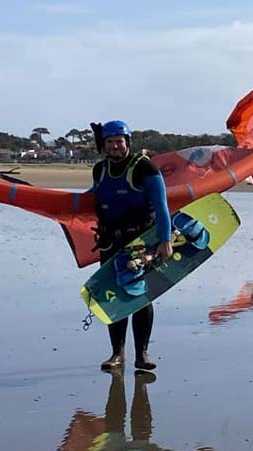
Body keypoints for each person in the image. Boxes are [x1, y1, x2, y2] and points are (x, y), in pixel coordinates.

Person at [89, 120, 174, 372]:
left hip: (141, 243)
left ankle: (142, 354)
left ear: (127, 143)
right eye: (110, 142)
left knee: (140, 296)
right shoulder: (99, 169)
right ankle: (117, 355)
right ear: (104, 145)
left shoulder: (144, 168)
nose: (115, 146)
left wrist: (165, 240)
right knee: (115, 296)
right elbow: (91, 199)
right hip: (110, 241)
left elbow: (161, 206)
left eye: (119, 141)